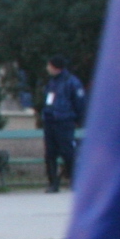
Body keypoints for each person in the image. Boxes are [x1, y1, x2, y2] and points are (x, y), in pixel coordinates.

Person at [38, 54, 87, 193]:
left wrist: (78, 119)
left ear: (55, 67)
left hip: (64, 121)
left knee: (67, 152)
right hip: (50, 121)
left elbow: (80, 103)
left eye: (49, 65)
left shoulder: (72, 82)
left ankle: (74, 181)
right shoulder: (52, 82)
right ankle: (53, 183)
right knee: (50, 154)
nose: (47, 68)